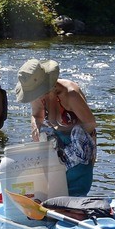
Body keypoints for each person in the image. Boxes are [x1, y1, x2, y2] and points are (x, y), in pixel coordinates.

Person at [15, 57, 97, 196]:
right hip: (56, 139)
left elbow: (90, 124)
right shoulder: (36, 96)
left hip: (80, 142)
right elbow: (36, 115)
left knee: (74, 187)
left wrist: (66, 150)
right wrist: (36, 127)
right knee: (51, 185)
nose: (37, 97)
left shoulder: (70, 94)